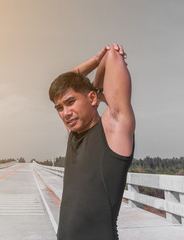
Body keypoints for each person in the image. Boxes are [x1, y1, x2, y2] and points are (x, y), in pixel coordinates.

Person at [49, 43, 135, 240]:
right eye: (59, 108)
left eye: (71, 103)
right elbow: (65, 80)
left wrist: (96, 77)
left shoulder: (113, 128)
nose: (65, 113)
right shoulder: (74, 133)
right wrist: (95, 62)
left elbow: (112, 55)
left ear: (92, 98)